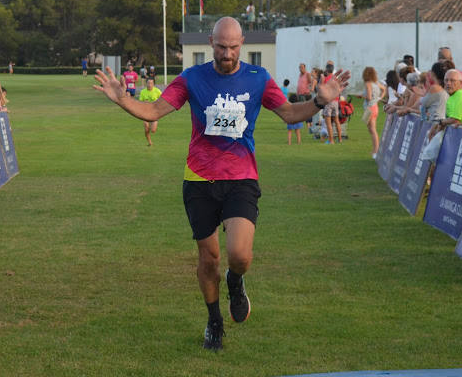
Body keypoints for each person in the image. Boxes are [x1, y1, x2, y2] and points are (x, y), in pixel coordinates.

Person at [92, 17, 350, 351]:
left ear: (241, 43)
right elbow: (154, 110)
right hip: (199, 179)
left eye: (233, 47)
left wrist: (318, 101)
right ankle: (214, 320)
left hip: (241, 176)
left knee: (239, 255)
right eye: (221, 46)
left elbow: (288, 113)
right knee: (209, 257)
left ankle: (236, 280)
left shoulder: (259, 78)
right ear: (210, 42)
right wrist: (123, 99)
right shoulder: (192, 78)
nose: (227, 53)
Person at [428, 69, 462, 139]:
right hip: (459, 134)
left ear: (461, 83)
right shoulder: (451, 94)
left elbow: (455, 120)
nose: (448, 83)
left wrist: (440, 123)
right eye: (446, 80)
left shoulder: (461, 94)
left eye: (452, 80)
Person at [361, 66, 386, 158]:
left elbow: (368, 97)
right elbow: (384, 89)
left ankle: (376, 150)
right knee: (371, 129)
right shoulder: (376, 83)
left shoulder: (367, 84)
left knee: (372, 130)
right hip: (375, 106)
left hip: (369, 107)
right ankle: (375, 150)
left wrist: (363, 96)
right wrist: (379, 98)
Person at [138, 78, 162, 146]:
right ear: (146, 84)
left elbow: (162, 100)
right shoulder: (143, 92)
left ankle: (151, 126)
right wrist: (144, 103)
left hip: (154, 113)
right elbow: (140, 102)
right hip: (145, 113)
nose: (149, 85)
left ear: (153, 84)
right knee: (146, 127)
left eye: (151, 83)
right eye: (148, 83)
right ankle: (150, 142)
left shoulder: (157, 91)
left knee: (153, 130)